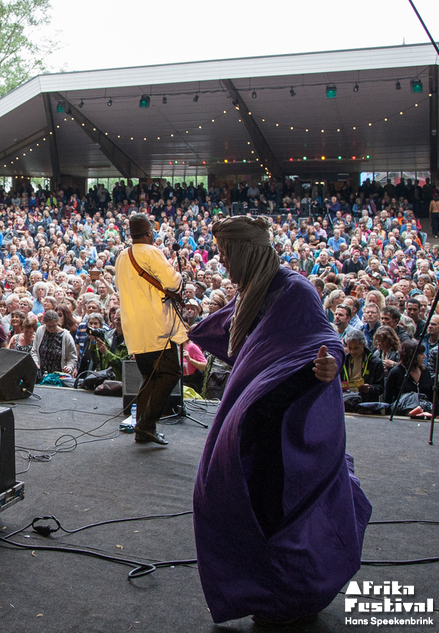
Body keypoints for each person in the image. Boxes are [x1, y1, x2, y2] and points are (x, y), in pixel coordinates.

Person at [189, 216, 370, 626]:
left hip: (289, 417)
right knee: (246, 498)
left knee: (283, 508)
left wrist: (330, 363)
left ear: (246, 252)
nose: (222, 262)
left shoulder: (294, 289)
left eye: (226, 254)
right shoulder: (253, 289)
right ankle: (267, 591)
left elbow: (325, 339)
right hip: (259, 415)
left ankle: (294, 594)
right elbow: (233, 329)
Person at [114, 213, 187, 445]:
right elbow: (174, 283)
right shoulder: (151, 252)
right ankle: (146, 425)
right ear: (149, 233)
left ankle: (141, 428)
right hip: (155, 325)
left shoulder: (122, 256)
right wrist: (181, 276)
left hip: (134, 327)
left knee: (150, 376)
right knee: (170, 373)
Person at [384, 339, 433, 414]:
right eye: (421, 354)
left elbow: (432, 396)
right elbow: (388, 399)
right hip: (402, 416)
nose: (425, 356)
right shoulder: (396, 373)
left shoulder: (425, 372)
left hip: (425, 415)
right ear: (412, 355)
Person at [341, 328, 385, 412]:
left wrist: (369, 388)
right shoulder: (344, 361)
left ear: (363, 345)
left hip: (365, 401)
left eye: (356, 348)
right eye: (350, 348)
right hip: (346, 398)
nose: (352, 351)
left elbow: (381, 387)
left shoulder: (375, 362)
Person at [30, 309, 78, 377]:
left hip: (58, 376)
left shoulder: (66, 336)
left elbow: (72, 357)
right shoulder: (40, 331)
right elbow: (34, 350)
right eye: (49, 326)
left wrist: (69, 367)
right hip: (41, 374)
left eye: (54, 326)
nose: (51, 329)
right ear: (44, 323)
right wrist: (36, 362)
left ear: (57, 322)